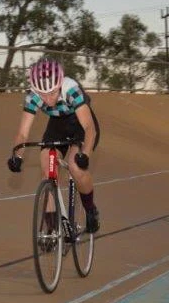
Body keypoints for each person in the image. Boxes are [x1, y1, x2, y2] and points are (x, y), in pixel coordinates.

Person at [8, 56, 101, 233]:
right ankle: (50, 227)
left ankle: (91, 209)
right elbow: (22, 133)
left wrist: (85, 154)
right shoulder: (33, 96)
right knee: (47, 168)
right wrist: (17, 155)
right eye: (42, 94)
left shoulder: (71, 89)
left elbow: (90, 128)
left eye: (52, 93)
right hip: (57, 124)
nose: (48, 99)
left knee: (75, 166)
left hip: (80, 124)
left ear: (59, 84)